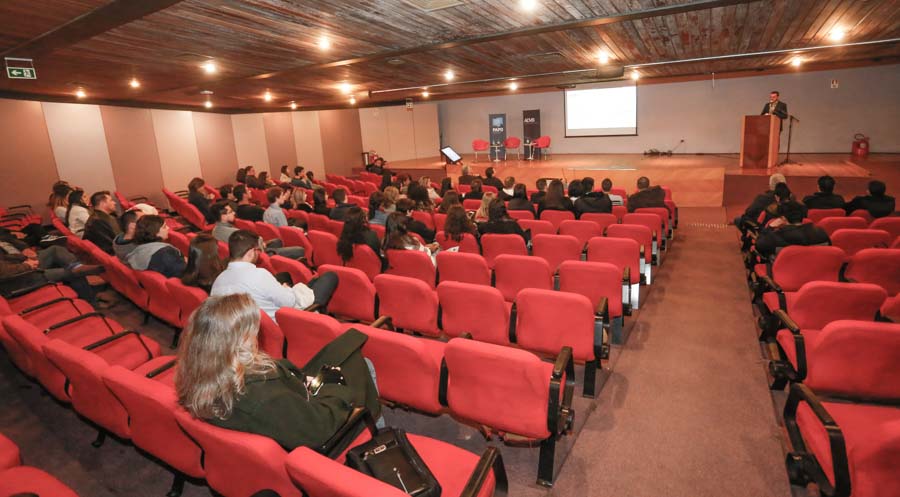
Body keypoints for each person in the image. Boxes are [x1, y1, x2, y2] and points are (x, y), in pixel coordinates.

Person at [175, 293, 381, 451]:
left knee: (346, 345)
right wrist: (335, 385)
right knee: (362, 364)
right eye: (252, 330)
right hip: (323, 431)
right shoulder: (262, 395)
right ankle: (376, 440)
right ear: (239, 340)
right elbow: (321, 429)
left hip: (294, 399)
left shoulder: (202, 373)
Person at [211, 230, 338, 319]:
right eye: (258, 250)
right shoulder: (259, 275)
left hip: (251, 326)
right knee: (330, 276)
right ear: (250, 252)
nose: (259, 254)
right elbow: (290, 301)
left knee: (310, 281)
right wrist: (286, 289)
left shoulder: (218, 281)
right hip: (286, 322)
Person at [0, 243, 103, 303]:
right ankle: (91, 303)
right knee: (72, 273)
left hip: (20, 268)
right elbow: (4, 273)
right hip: (18, 281)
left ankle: (77, 266)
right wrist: (28, 265)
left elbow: (5, 258)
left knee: (55, 250)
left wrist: (24, 258)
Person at [211, 201, 303, 260]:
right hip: (258, 255)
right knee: (300, 250)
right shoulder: (234, 233)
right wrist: (260, 244)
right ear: (223, 216)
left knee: (277, 241)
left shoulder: (214, 230)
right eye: (230, 212)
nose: (234, 213)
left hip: (244, 251)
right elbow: (254, 248)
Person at [755, 201, 829, 258]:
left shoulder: (775, 236)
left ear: (783, 218)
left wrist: (769, 228)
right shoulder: (820, 232)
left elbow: (759, 245)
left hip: (784, 272)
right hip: (816, 271)